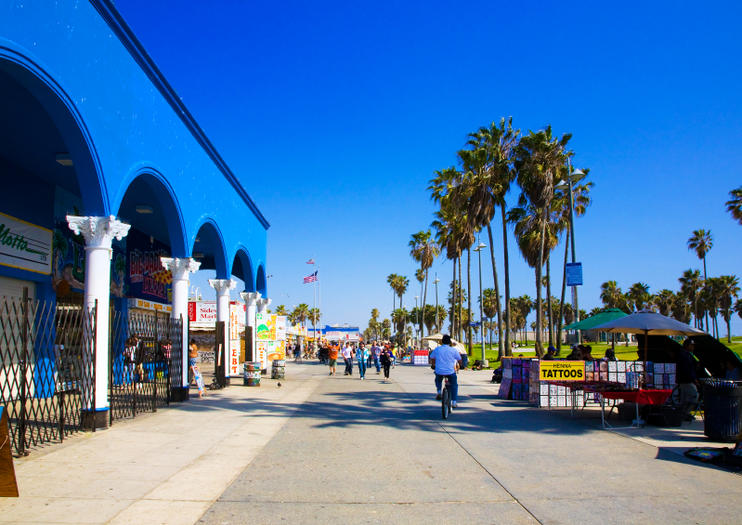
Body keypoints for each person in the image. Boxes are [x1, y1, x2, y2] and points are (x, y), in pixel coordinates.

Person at [429, 334, 462, 408]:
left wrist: (433, 364)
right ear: (449, 342)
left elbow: (432, 358)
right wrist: (461, 365)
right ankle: (454, 402)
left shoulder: (437, 349)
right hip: (450, 372)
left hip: (439, 371)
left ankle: (439, 392)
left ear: (442, 342)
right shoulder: (453, 350)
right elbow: (460, 359)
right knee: (454, 385)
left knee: (438, 379)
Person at [676, 338, 700, 421]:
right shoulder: (684, 355)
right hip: (686, 380)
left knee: (685, 398)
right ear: (687, 346)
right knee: (694, 396)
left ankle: (683, 413)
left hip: (684, 380)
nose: (693, 347)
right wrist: (694, 379)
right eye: (691, 345)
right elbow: (687, 370)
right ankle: (685, 413)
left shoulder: (687, 354)